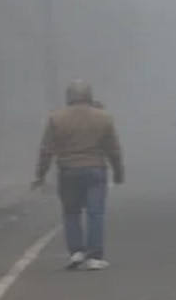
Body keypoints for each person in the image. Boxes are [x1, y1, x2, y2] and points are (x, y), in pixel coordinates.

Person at [33, 80, 124, 271]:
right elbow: (113, 149)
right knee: (95, 213)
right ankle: (94, 256)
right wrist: (118, 172)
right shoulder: (104, 118)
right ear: (89, 95)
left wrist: (40, 174)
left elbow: (46, 149)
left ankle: (76, 252)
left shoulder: (56, 119)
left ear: (69, 96)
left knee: (71, 212)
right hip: (95, 169)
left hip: (67, 170)